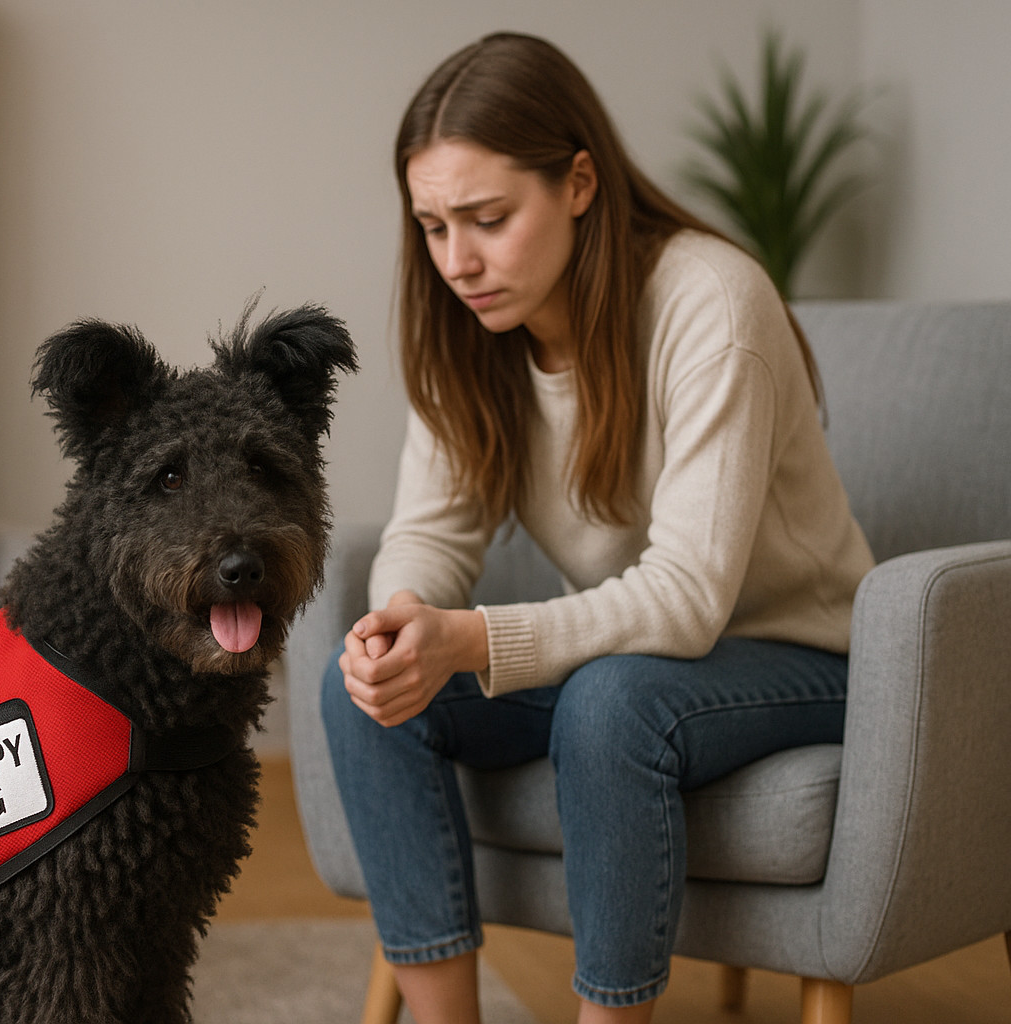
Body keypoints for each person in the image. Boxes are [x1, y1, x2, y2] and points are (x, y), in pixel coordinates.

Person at [320, 32, 875, 1024]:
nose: (458, 261)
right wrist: (403, 625)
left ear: (579, 182)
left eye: (489, 219)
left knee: (611, 704)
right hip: (650, 660)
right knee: (361, 690)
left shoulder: (710, 302)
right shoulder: (472, 327)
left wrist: (470, 639)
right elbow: (431, 534)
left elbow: (688, 600)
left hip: (803, 657)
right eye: (434, 227)